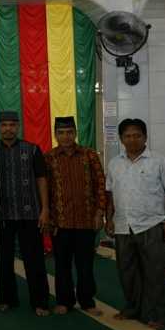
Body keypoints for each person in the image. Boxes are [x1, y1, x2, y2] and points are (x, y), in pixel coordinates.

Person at [105, 118, 165, 330]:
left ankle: (158, 315)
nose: (132, 139)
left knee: (155, 273)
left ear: (145, 137)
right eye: (127, 136)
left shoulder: (159, 161)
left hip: (152, 225)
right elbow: (109, 195)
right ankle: (133, 308)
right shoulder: (114, 164)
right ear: (121, 139)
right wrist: (108, 219)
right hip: (123, 226)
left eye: (137, 135)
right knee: (127, 272)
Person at [0, 111, 51, 316]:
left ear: (18, 127)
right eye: (4, 125)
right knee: (3, 260)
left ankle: (40, 302)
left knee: (34, 260)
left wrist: (45, 209)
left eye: (12, 125)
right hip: (2, 215)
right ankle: (7, 299)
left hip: (30, 213)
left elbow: (41, 179)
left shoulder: (32, 149)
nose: (8, 128)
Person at [45, 116, 106, 317]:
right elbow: (45, 191)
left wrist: (100, 212)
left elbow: (100, 185)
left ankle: (87, 301)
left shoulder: (89, 155)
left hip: (86, 220)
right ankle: (64, 301)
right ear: (56, 135)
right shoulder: (49, 158)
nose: (66, 137)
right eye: (61, 133)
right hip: (60, 222)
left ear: (75, 133)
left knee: (85, 265)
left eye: (69, 132)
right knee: (61, 265)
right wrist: (48, 217)